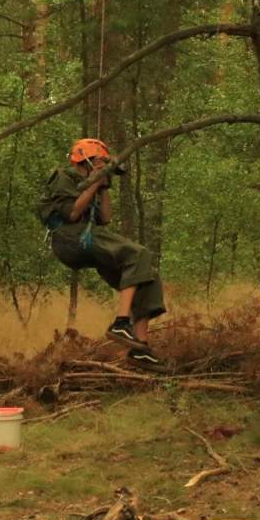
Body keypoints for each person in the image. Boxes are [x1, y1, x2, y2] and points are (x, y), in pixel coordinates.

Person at [38, 138, 167, 370]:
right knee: (139, 254)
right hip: (69, 237)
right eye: (99, 162)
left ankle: (140, 348)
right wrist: (94, 182)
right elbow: (72, 214)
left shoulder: (93, 182)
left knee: (147, 276)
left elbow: (105, 218)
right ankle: (120, 323)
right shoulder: (65, 177)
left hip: (86, 237)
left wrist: (103, 184)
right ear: (86, 160)